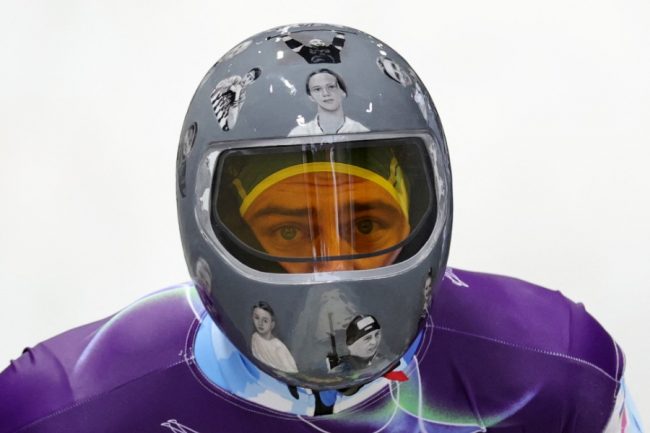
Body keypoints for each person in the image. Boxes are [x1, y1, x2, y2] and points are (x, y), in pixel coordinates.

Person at [0, 24, 643, 432]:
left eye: (365, 224)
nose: (332, 269)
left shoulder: (561, 377)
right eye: (288, 233)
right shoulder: (60, 411)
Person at [288, 68, 369, 136]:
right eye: (317, 89)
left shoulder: (360, 131)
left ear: (343, 92)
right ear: (311, 97)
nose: (326, 93)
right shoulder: (298, 133)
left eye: (331, 87)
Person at [250, 302, 298, 373]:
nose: (260, 323)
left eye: (265, 321)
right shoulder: (255, 337)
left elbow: (291, 371)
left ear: (272, 325)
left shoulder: (278, 347)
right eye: (257, 318)